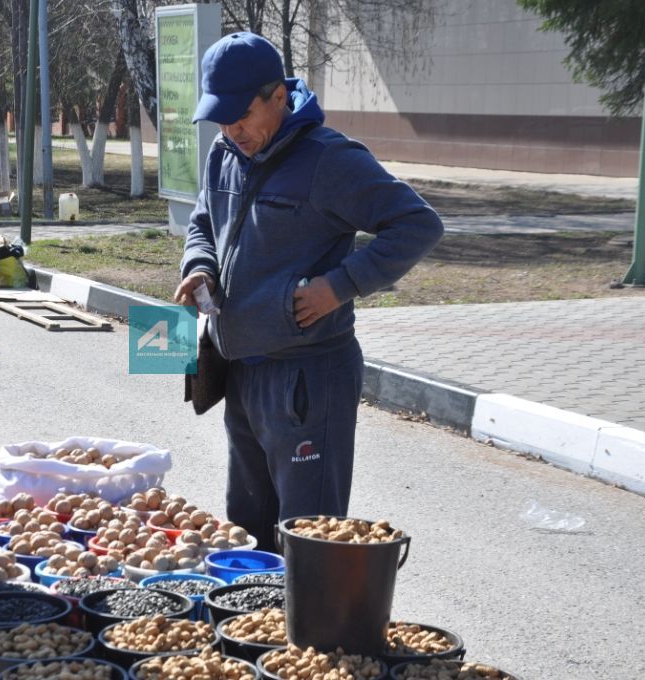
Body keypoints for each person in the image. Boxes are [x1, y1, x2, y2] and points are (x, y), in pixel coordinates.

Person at [174, 33, 444, 552]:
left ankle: (312, 634)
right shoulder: (225, 150)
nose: (231, 129)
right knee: (247, 529)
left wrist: (340, 285)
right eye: (221, 117)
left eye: (241, 114)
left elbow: (417, 224)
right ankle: (254, 630)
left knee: (306, 539)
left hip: (307, 378)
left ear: (278, 97)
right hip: (241, 369)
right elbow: (204, 221)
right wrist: (201, 266)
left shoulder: (329, 160)